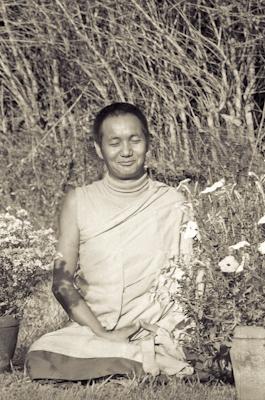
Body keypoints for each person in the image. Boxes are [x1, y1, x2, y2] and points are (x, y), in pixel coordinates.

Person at [26, 102, 194, 381]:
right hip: (95, 328)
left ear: (148, 143)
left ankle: (139, 357)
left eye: (134, 140)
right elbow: (62, 282)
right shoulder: (79, 201)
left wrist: (168, 326)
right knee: (43, 351)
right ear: (98, 149)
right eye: (114, 142)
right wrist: (102, 333)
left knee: (182, 345)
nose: (126, 151)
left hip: (158, 325)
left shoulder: (173, 202)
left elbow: (192, 277)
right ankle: (144, 360)